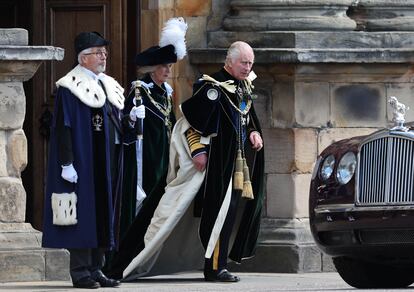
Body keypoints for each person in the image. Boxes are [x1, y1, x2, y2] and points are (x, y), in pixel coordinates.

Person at [109, 41, 265, 283]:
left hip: (235, 164)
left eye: (250, 63)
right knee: (208, 214)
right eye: (244, 62)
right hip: (212, 165)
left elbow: (246, 117)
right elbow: (190, 123)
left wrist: (254, 132)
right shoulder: (210, 86)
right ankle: (213, 268)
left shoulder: (243, 86)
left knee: (229, 214)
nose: (248, 67)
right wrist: (197, 152)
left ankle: (218, 264)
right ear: (230, 61)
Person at [41, 31, 144, 289]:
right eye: (98, 53)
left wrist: (131, 119)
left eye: (104, 52)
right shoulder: (69, 86)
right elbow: (63, 127)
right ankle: (80, 272)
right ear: (83, 58)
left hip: (107, 160)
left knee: (103, 212)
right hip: (84, 161)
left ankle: (97, 268)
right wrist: (66, 163)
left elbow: (116, 124)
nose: (104, 56)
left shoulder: (106, 84)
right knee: (84, 214)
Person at [104, 17, 187, 275]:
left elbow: (172, 125)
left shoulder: (167, 93)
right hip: (143, 161)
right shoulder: (139, 92)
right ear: (152, 68)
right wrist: (130, 118)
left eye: (169, 67)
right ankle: (124, 261)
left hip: (163, 158)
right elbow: (123, 129)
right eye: (164, 67)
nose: (168, 71)